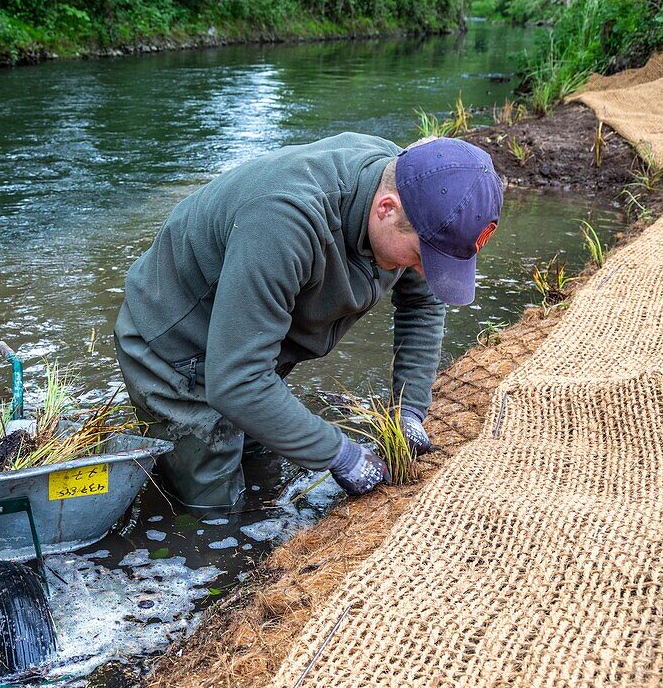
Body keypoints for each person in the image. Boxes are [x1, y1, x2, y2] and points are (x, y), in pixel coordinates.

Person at [114, 133, 503, 510]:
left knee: (260, 467)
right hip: (173, 351)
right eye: (422, 257)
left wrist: (410, 410)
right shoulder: (284, 222)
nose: (421, 270)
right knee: (212, 510)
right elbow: (237, 380)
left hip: (251, 341)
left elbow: (422, 304)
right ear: (386, 209)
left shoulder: (417, 190)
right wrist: (341, 454)